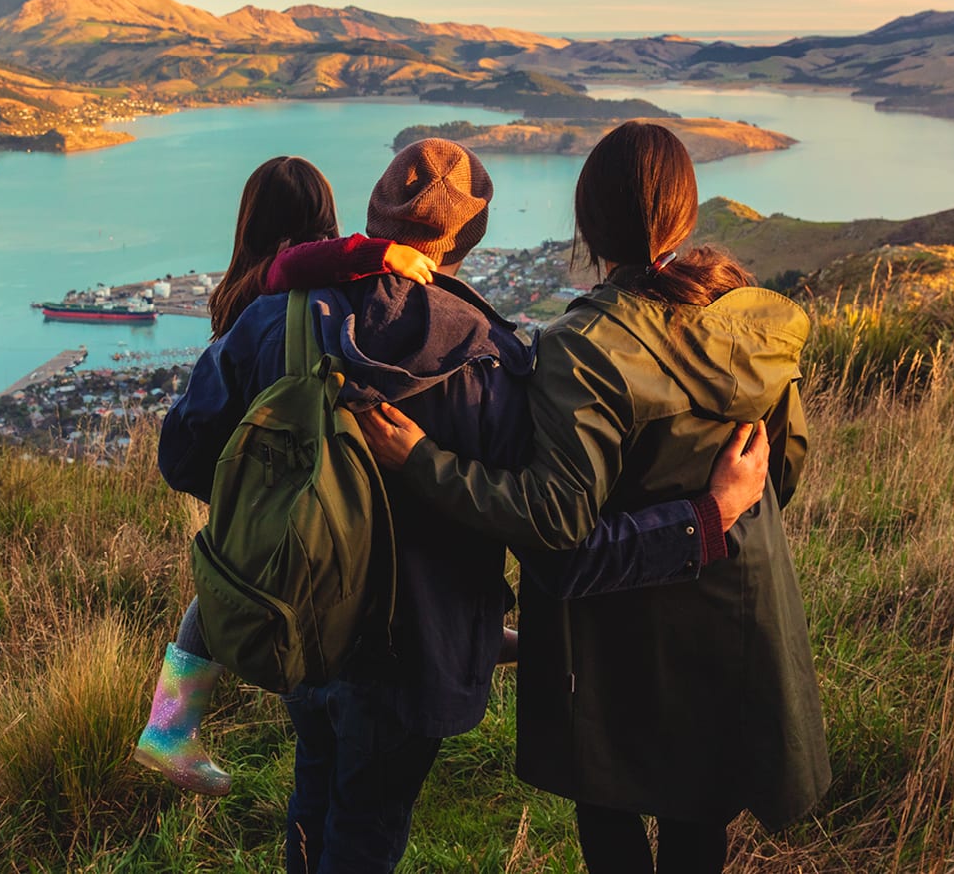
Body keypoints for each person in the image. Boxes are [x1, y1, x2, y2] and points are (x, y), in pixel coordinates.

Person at [150, 138, 776, 874]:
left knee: (315, 792)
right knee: (365, 826)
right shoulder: (498, 360)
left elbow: (183, 456)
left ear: (374, 217)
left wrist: (285, 508)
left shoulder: (275, 319)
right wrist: (706, 517)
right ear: (470, 238)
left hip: (297, 624)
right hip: (415, 658)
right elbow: (554, 538)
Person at [361, 121, 831, 874]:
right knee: (699, 818)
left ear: (587, 223)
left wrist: (421, 460)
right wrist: (720, 512)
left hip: (612, 631)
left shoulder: (584, 347)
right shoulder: (753, 322)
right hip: (729, 606)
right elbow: (787, 465)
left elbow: (552, 519)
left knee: (610, 820)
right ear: (683, 212)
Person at [134, 153, 440, 793]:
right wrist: (381, 254)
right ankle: (498, 639)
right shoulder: (359, 307)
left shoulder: (250, 311)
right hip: (359, 526)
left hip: (272, 521)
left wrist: (239, 492)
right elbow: (300, 261)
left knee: (220, 583)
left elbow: (183, 450)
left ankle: (170, 729)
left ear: (252, 226)